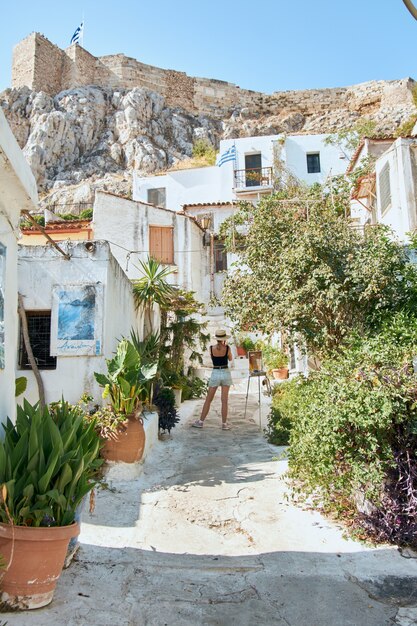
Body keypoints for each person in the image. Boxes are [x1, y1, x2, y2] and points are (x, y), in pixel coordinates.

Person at [192, 329, 233, 430]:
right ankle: (224, 424)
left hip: (215, 373)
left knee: (208, 399)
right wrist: (226, 346)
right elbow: (230, 359)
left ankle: (201, 421)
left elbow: (214, 359)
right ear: (224, 339)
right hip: (225, 373)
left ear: (216, 339)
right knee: (224, 400)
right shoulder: (227, 348)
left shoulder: (211, 349)